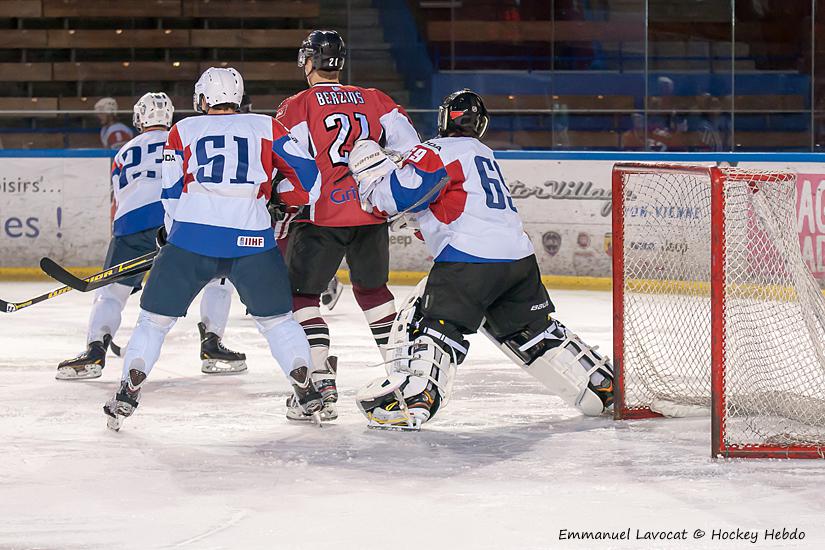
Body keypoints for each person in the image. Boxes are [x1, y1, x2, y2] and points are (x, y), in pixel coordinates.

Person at [349, 89, 615, 430]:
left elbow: (394, 197)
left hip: (469, 260)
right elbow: (447, 206)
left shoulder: (436, 150)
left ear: (444, 120)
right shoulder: (484, 155)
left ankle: (416, 397)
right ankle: (601, 385)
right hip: (519, 262)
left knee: (427, 323)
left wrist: (370, 178)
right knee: (535, 332)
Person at [102, 67, 325, 430]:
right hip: (252, 241)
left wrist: (170, 234)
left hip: (192, 238)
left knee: (154, 322)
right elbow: (310, 179)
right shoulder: (267, 126)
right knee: (278, 322)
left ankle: (128, 390)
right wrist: (278, 197)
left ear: (203, 99)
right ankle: (304, 384)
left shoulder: (183, 130)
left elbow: (171, 191)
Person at [274, 29, 420, 422]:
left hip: (321, 215)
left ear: (309, 61)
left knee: (301, 298)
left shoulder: (298, 104)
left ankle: (319, 382)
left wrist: (277, 197)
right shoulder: (376, 100)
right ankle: (405, 379)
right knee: (374, 292)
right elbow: (414, 151)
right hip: (372, 212)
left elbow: (289, 163)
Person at [57, 92, 247, 380]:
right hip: (177, 222)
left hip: (130, 225)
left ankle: (94, 352)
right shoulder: (185, 139)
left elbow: (116, 203)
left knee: (111, 293)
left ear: (139, 118)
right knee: (218, 278)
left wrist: (121, 241)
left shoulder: (124, 151)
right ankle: (212, 345)